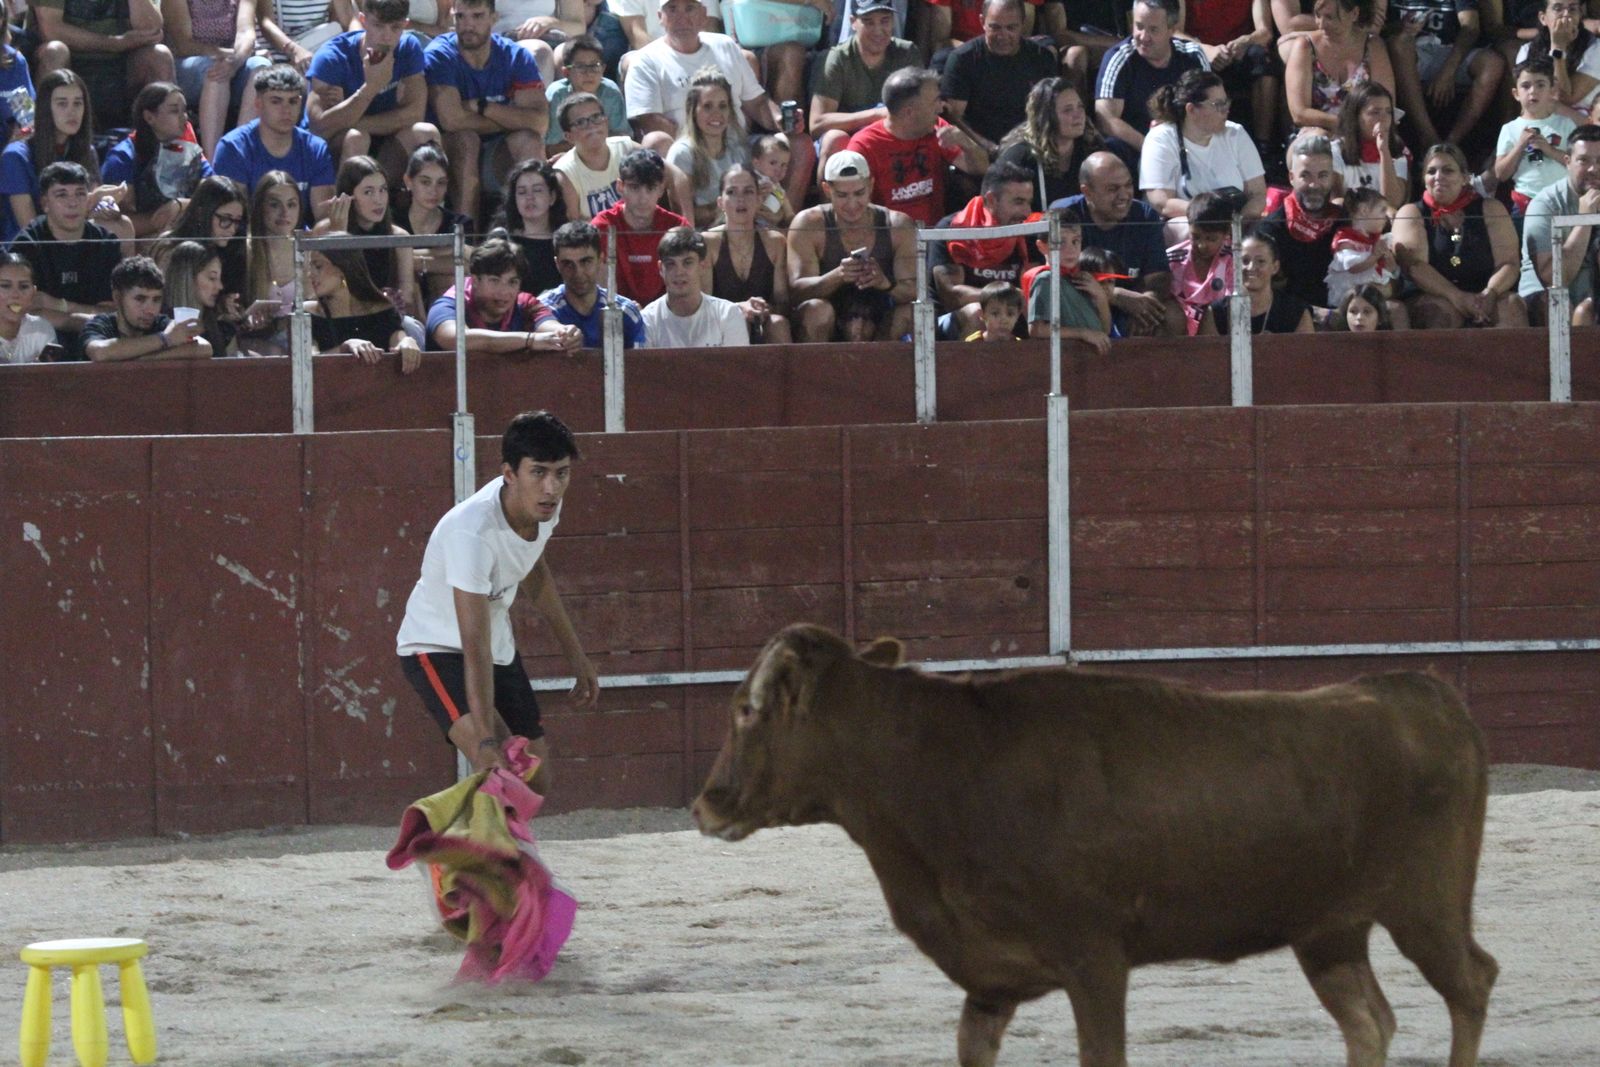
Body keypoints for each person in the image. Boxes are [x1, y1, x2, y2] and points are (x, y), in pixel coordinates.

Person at [395, 409, 599, 779]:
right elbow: (474, 646)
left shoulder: (545, 506)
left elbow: (533, 570)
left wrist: (577, 656)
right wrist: (487, 743)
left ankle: (494, 832)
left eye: (561, 473)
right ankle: (469, 835)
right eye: (538, 472)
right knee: (496, 771)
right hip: (436, 647)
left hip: (494, 644)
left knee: (536, 778)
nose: (551, 488)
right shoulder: (471, 533)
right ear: (509, 474)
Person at [624, 0, 816, 207]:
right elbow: (649, 121)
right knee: (655, 142)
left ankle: (788, 226)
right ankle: (683, 228)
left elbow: (758, 102)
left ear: (704, 15)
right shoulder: (646, 61)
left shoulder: (724, 45)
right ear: (660, 17)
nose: (682, 16)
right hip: (687, 150)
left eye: (689, 8)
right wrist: (706, 142)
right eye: (672, 9)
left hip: (738, 146)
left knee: (799, 145)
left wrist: (780, 119)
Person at [423, 0, 551, 221]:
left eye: (477, 16)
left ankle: (533, 233)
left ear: (494, 18)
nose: (467, 25)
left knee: (530, 141)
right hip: (451, 151)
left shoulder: (515, 56)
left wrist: (481, 107)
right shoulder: (440, 54)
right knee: (467, 140)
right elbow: (452, 121)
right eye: (460, 17)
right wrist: (513, 117)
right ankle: (465, 238)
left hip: (498, 150)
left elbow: (539, 123)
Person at [787, 149, 917, 341]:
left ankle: (882, 367)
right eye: (842, 195)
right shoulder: (808, 223)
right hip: (827, 321)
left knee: (912, 312)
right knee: (817, 310)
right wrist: (838, 276)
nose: (852, 203)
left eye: (859, 193)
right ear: (826, 190)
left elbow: (914, 291)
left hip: (880, 319)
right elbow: (795, 291)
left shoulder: (897, 225)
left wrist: (885, 283)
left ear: (871, 185)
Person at [1393, 142, 1526, 329]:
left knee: (1511, 307)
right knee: (1438, 313)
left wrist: (1490, 293)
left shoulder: (1491, 208)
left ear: (1465, 178)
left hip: (1486, 290)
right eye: (1431, 172)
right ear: (1424, 179)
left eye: (1447, 171)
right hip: (1434, 293)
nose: (1438, 177)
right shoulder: (1410, 213)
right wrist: (1457, 297)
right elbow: (1414, 267)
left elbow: (1509, 262)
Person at [306, 0, 440, 175]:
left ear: (405, 25)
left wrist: (346, 118)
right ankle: (350, 201)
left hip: (385, 141)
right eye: (378, 26)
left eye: (395, 28)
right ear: (363, 20)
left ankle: (387, 196)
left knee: (426, 133)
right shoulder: (332, 57)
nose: (387, 36)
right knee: (357, 137)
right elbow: (319, 129)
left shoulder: (408, 48)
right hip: (339, 146)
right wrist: (370, 88)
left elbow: (414, 115)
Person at [1051, 150, 1177, 334]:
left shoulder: (1144, 215)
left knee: (1171, 315)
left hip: (1133, 303)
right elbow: (1056, 277)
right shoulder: (1064, 215)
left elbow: (1159, 276)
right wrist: (1112, 295)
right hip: (1081, 304)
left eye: (1128, 185)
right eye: (1112, 189)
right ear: (1087, 191)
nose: (1124, 195)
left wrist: (1146, 304)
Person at [844, 67, 987, 227]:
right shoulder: (864, 146)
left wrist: (966, 143)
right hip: (888, 239)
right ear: (909, 112)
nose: (941, 108)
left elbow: (982, 168)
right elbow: (854, 211)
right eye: (935, 102)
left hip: (934, 235)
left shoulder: (937, 127)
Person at [11, 163, 127, 360]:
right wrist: (84, 316)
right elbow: (24, 311)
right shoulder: (27, 246)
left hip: (97, 338)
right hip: (38, 340)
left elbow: (113, 314)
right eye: (62, 195)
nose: (72, 203)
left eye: (80, 194)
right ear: (45, 203)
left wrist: (58, 305)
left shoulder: (106, 243)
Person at [0, 69, 129, 245]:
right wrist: (91, 201)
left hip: (72, 237)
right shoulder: (15, 156)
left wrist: (106, 204)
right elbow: (30, 229)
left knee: (121, 226)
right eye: (62, 104)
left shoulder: (86, 151)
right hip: (30, 252)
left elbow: (93, 210)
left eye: (78, 103)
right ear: (46, 108)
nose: (72, 112)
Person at [1138, 69, 1265, 241]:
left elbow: (1257, 194)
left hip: (1235, 222)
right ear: (1191, 109)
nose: (1226, 110)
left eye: (1226, 103)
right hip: (1188, 223)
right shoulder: (1161, 138)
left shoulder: (1236, 133)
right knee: (1191, 232)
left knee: (1265, 230)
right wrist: (1212, 218)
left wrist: (1239, 222)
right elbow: (1162, 203)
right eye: (1217, 105)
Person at [213, 64, 338, 224]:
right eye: (276, 101)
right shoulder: (233, 148)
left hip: (299, 244)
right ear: (258, 104)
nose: (286, 110)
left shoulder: (315, 149)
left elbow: (325, 218)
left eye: (293, 101)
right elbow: (233, 219)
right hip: (248, 243)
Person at [931, 159, 1037, 337]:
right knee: (977, 313)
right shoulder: (952, 229)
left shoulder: (1029, 229)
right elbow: (951, 296)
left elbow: (1033, 292)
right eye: (1019, 202)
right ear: (991, 200)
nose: (1027, 212)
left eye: (1029, 202)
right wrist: (1007, 298)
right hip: (954, 326)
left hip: (1011, 318)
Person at [31, 0, 176, 131]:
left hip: (123, 66)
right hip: (70, 65)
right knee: (54, 52)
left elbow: (151, 29)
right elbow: (50, 30)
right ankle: (46, 143)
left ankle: (161, 148)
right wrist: (115, 43)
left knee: (159, 56)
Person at [809, 0, 921, 169]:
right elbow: (817, 123)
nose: (878, 30)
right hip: (849, 135)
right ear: (853, 22)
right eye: (868, 22)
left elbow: (922, 107)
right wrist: (876, 115)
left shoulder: (907, 53)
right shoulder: (838, 58)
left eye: (885, 21)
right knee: (834, 139)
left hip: (892, 133)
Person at [940, 0, 1058, 157]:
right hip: (981, 150)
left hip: (1030, 146)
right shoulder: (962, 59)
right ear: (982, 21)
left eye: (1011, 28)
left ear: (1023, 23)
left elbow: (1048, 110)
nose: (1003, 35)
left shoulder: (1041, 57)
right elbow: (954, 117)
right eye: (995, 27)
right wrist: (987, 147)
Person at [427, 234, 585, 350]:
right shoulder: (448, 305)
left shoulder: (525, 304)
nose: (504, 292)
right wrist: (529, 340)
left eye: (512, 282)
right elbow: (457, 339)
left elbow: (550, 327)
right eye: (495, 281)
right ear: (475, 281)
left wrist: (567, 335)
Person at [552, 92, 693, 220]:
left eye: (596, 117)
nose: (591, 125)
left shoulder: (625, 147)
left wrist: (687, 227)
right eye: (581, 122)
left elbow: (677, 176)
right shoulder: (565, 172)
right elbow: (575, 225)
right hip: (599, 241)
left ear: (606, 121)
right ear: (568, 136)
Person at [1387, 0, 1505, 151]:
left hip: (1452, 51)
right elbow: (1375, 28)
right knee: (1399, 43)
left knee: (1492, 63)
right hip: (1412, 52)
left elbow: (1470, 28)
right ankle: (1429, 138)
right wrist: (1401, 27)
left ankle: (1451, 145)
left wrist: (1447, 72)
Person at [1094, 0, 1211, 150]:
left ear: (1171, 30)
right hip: (1138, 147)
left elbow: (1211, 105)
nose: (1143, 37)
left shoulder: (1193, 55)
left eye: (1153, 30)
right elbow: (1106, 119)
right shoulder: (1119, 59)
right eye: (1139, 27)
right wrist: (1153, 149)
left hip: (1188, 143)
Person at [101, 82, 214, 236]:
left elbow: (214, 192)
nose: (184, 117)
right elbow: (121, 220)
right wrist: (170, 218)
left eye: (185, 110)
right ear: (149, 117)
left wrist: (181, 205)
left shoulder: (189, 152)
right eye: (175, 111)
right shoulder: (122, 157)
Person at [162, 0, 272, 158]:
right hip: (190, 64)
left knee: (262, 67)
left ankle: (239, 153)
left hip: (231, 61)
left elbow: (246, 33)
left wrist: (234, 62)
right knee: (215, 70)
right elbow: (184, 44)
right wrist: (225, 57)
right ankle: (213, 160)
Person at [316, 153, 421, 315]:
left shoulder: (399, 237)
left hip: (387, 317)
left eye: (383, 190)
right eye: (368, 192)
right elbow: (326, 291)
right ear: (348, 196)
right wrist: (339, 235)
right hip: (341, 315)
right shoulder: (322, 232)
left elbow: (406, 299)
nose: (378, 200)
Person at [303, 237, 424, 370]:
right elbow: (307, 363)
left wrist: (407, 342)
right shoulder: (307, 314)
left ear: (343, 267)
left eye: (318, 266)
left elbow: (399, 341)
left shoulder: (382, 311)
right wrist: (344, 348)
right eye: (310, 267)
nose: (310, 274)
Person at [590, 147, 690, 306]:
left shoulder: (677, 226)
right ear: (620, 187)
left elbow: (688, 286)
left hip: (667, 314)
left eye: (650, 188)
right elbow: (596, 288)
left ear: (661, 189)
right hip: (616, 314)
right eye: (635, 187)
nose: (643, 198)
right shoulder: (602, 227)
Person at [703, 165, 791, 342]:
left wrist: (764, 309)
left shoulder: (775, 242)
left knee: (779, 323)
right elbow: (702, 304)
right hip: (718, 324)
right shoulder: (707, 242)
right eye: (732, 192)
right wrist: (738, 309)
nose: (740, 199)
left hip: (762, 321)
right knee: (739, 324)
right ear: (720, 202)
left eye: (748, 192)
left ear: (759, 200)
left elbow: (782, 302)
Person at [1255, 131, 1341, 310]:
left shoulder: (1346, 221)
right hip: (1290, 325)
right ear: (1291, 178)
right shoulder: (1270, 230)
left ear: (1333, 178)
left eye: (1322, 175)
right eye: (1306, 175)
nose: (1314, 185)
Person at [997, 78, 1109, 212]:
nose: (1078, 115)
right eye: (1068, 110)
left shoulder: (1092, 147)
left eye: (1080, 107)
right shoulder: (1019, 157)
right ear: (1046, 117)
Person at [1283, 0, 1394, 134]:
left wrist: (1360, 131)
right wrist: (1346, 125)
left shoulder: (1373, 46)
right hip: (1317, 133)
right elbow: (1299, 113)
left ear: (1354, 14)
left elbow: (1387, 104)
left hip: (1365, 134)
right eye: (1318, 15)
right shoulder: (1305, 47)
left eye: (1330, 17)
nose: (1321, 25)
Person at [1176, 0, 1277, 145]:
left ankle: (1263, 145)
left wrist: (1247, 40)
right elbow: (1175, 31)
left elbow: (1265, 32)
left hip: (1238, 54)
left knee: (1262, 59)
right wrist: (1205, 49)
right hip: (1199, 53)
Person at [81, 255, 212, 361]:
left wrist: (146, 359)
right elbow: (100, 352)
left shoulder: (162, 324)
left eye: (156, 300)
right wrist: (165, 339)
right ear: (117, 297)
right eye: (140, 299)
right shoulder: (100, 324)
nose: (150, 310)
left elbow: (204, 348)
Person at [153, 175, 251, 317]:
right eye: (225, 219)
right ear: (201, 213)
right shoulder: (170, 248)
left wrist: (224, 304)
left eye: (236, 221)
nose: (232, 229)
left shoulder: (230, 250)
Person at [539, 218, 647, 347]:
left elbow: (640, 364)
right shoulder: (544, 309)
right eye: (568, 264)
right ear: (557, 264)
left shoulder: (626, 312)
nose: (578, 272)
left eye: (586, 261)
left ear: (601, 259)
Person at [665, 68, 750, 228]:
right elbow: (683, 214)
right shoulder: (682, 153)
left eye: (723, 106)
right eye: (707, 106)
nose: (717, 114)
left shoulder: (737, 148)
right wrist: (732, 206)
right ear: (693, 110)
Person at [640, 225, 748, 346]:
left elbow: (738, 364)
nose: (679, 272)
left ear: (702, 265)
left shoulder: (728, 314)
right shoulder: (647, 320)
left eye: (687, 263)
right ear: (660, 268)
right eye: (671, 264)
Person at [1495, 58, 1576, 215]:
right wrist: (1519, 146)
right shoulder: (1509, 129)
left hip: (1563, 199)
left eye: (1540, 85)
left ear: (1552, 90)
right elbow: (1501, 174)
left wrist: (1549, 150)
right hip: (1525, 201)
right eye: (1526, 86)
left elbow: (1575, 164)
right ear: (1516, 94)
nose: (1533, 91)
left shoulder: (1566, 124)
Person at [401, 143, 477, 306]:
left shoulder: (459, 223)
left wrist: (408, 259)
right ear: (408, 181)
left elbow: (469, 263)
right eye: (425, 182)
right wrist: (446, 252)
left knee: (448, 278)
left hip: (445, 301)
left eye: (441, 183)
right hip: (404, 300)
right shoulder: (395, 221)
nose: (433, 191)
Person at [1198, 229, 1314, 333]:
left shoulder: (1296, 312)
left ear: (1275, 267)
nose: (1251, 267)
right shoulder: (1216, 313)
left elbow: (1307, 355)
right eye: (1245, 260)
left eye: (1261, 261)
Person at [1021, 218, 1112, 348]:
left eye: (1075, 241)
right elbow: (1037, 330)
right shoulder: (1045, 279)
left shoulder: (1083, 279)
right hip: (1064, 359)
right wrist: (1082, 333)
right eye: (1061, 242)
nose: (1071, 250)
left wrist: (1101, 297)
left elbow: (1105, 331)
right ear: (1042, 247)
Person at [240, 170, 301, 353]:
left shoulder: (305, 251)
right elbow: (231, 316)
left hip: (296, 338)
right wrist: (246, 319)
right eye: (275, 205)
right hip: (253, 340)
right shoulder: (245, 251)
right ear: (260, 207)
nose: (285, 212)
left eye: (291, 205)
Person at [1512, 0, 1600, 123]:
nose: (1566, 14)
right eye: (1558, 9)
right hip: (1543, 124)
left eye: (1572, 9)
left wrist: (1558, 48)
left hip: (1584, 126)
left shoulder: (1596, 48)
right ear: (1543, 18)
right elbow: (1528, 103)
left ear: (1580, 15)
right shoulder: (1527, 51)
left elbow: (1563, 97)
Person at [1165, 187, 1238, 334]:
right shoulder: (1172, 259)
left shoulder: (1235, 260)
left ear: (1226, 233)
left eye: (1211, 238)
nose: (1202, 245)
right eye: (1196, 236)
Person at [1331, 80, 1410, 211]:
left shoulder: (1396, 152)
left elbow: (1393, 202)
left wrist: (1384, 152)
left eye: (1388, 112)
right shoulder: (1335, 151)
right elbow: (1338, 201)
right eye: (1375, 112)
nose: (1384, 119)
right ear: (1355, 117)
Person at [493, 158, 568, 296]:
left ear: (552, 197)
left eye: (537, 190)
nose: (529, 197)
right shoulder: (503, 240)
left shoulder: (566, 241)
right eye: (522, 192)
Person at [543, 34, 629, 153]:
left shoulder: (611, 92)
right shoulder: (557, 94)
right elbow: (552, 146)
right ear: (566, 72)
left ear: (603, 69)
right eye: (580, 67)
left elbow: (622, 136)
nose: (589, 73)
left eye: (594, 66)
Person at [1325, 185, 1399, 310]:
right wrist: (1375, 256)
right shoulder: (1346, 241)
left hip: (1371, 293)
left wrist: (1388, 259)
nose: (1385, 217)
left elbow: (1391, 269)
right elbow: (1353, 267)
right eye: (1382, 210)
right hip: (1349, 296)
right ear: (1364, 210)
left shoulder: (1375, 241)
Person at [163, 238, 237, 356]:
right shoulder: (160, 327)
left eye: (219, 279)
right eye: (212, 278)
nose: (220, 286)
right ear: (187, 278)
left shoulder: (223, 331)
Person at [0, 253, 60, 364]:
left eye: (23, 287)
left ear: (34, 292)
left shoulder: (41, 330)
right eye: (5, 286)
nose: (15, 295)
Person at [749, 134, 793, 228]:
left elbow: (787, 208)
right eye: (773, 163)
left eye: (783, 165)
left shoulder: (777, 187)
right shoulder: (753, 180)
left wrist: (791, 218)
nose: (779, 169)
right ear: (756, 163)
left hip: (771, 226)